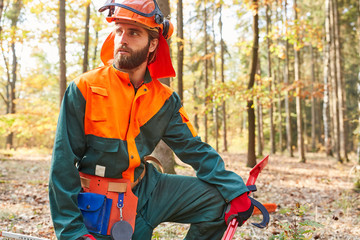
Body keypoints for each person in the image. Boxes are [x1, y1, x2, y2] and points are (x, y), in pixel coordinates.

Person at [48, 0, 253, 239]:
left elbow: (194, 149)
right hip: (99, 205)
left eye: (133, 32)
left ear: (153, 43)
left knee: (219, 200)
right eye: (119, 31)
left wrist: (235, 189)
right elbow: (62, 166)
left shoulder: (165, 99)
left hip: (148, 189)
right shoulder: (85, 88)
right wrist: (73, 232)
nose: (122, 39)